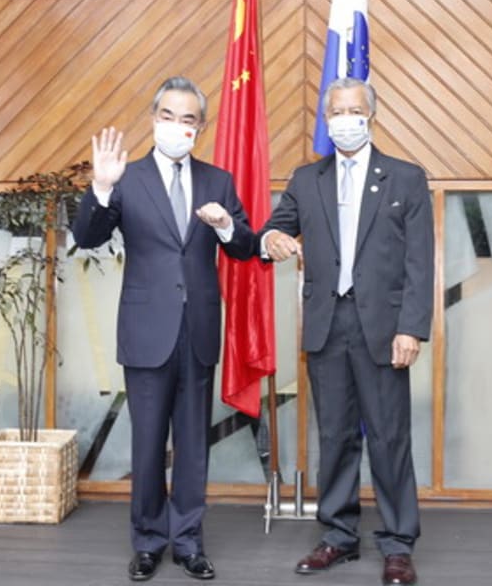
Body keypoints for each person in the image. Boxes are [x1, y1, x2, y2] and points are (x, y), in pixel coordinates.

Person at [72, 77, 255, 582]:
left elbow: (245, 246)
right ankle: (149, 540)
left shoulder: (218, 180)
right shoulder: (126, 178)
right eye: (169, 116)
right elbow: (86, 237)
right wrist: (101, 187)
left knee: (194, 443)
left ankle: (190, 541)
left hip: (197, 329)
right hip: (146, 329)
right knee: (148, 441)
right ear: (154, 118)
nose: (178, 126)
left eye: (189, 119)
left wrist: (223, 226)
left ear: (201, 126)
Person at [260, 77, 433, 586]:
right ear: (325, 118)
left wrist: (412, 328)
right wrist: (272, 237)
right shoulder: (306, 178)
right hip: (327, 326)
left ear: (371, 114)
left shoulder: (405, 178)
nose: (344, 118)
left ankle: (398, 545)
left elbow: (420, 260)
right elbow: (277, 226)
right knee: (334, 437)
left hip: (384, 327)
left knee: (388, 437)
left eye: (354, 109)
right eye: (335, 111)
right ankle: (337, 536)